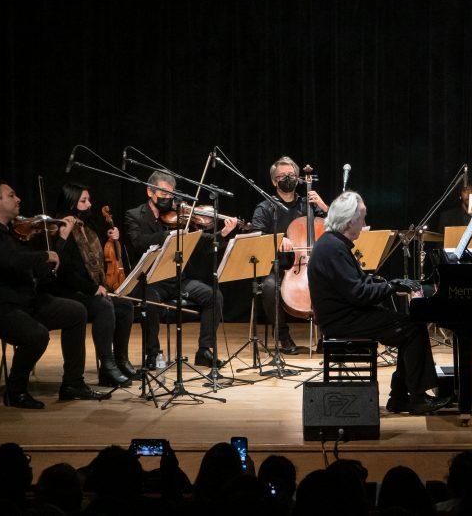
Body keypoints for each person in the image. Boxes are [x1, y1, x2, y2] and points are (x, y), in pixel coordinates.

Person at [307, 191, 451, 415]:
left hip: (347, 315)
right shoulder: (333, 248)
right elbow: (359, 293)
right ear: (350, 221)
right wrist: (392, 287)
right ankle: (416, 398)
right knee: (413, 327)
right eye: (362, 218)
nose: (364, 223)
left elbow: (357, 282)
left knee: (410, 325)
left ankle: (401, 397)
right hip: (343, 320)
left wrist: (388, 283)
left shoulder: (332, 243)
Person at [0, 181, 106, 408]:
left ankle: (73, 383)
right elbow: (12, 261)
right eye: (11, 195)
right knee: (37, 334)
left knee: (76, 311)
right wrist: (44, 256)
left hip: (23, 301)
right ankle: (15, 391)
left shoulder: (10, 233)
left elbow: (34, 267)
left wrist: (51, 258)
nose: (18, 199)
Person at [124, 170, 238, 369]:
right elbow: (138, 243)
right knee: (150, 303)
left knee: (214, 296)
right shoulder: (134, 215)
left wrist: (222, 233)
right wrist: (167, 236)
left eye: (171, 194)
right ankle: (152, 353)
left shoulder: (179, 214)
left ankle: (204, 350)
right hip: (151, 279)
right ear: (150, 192)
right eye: (163, 194)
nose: (168, 198)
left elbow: (200, 241)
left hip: (178, 279)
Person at [52, 182, 138, 387]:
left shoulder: (88, 228)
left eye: (88, 200)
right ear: (71, 203)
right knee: (103, 305)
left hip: (88, 290)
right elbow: (63, 272)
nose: (89, 205)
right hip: (68, 292)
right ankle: (106, 367)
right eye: (83, 201)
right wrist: (93, 289)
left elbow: (100, 258)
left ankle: (120, 360)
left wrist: (112, 238)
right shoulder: (57, 229)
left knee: (125, 306)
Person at [249, 156, 329, 355]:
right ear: (274, 181)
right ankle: (283, 336)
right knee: (268, 287)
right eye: (283, 176)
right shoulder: (265, 207)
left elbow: (334, 226)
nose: (288, 178)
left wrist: (324, 205)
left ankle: (326, 335)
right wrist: (276, 240)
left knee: (331, 281)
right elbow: (255, 237)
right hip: (276, 266)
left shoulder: (308, 204)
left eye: (292, 175)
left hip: (306, 265)